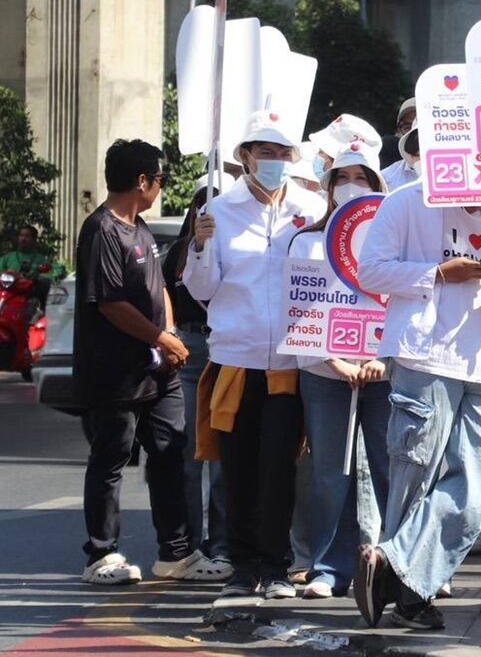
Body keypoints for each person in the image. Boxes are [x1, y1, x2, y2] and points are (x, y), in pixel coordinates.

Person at [354, 172, 481, 629]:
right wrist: (440, 273)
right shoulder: (406, 201)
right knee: (415, 476)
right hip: (423, 356)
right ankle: (410, 597)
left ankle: (390, 561)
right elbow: (370, 270)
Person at [185, 111, 328, 599]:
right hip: (236, 360)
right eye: (265, 151)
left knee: (280, 467)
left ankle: (277, 564)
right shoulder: (219, 211)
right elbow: (202, 289)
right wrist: (200, 246)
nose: (275, 160)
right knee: (238, 467)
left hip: (290, 363)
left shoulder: (312, 209)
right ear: (245, 156)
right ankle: (244, 566)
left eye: (284, 153)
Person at [75, 139, 224, 586]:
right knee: (111, 460)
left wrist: (170, 336)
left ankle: (176, 553)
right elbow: (110, 303)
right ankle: (102, 554)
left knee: (169, 454)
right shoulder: (102, 229)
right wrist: (160, 338)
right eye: (160, 179)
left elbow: (159, 287)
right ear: (142, 181)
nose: (161, 186)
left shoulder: (139, 228)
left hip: (158, 370)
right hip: (114, 374)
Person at [290, 140, 391, 599]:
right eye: (343, 178)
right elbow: (300, 312)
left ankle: (397, 566)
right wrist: (335, 362)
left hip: (383, 374)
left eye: (362, 179)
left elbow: (404, 304)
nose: (352, 187)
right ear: (329, 187)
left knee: (391, 470)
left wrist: (381, 359)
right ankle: (329, 567)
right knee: (331, 474)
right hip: (326, 376)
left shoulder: (394, 242)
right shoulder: (307, 242)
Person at [161, 184, 231, 574]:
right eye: (201, 207)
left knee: (222, 458)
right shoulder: (178, 252)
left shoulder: (234, 248)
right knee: (188, 455)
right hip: (189, 350)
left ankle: (221, 545)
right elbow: (165, 298)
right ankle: (187, 546)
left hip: (226, 349)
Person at [381, 99, 421, 191]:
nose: (414, 132)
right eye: (407, 127)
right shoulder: (385, 180)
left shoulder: (455, 174)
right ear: (398, 133)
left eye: (421, 124)